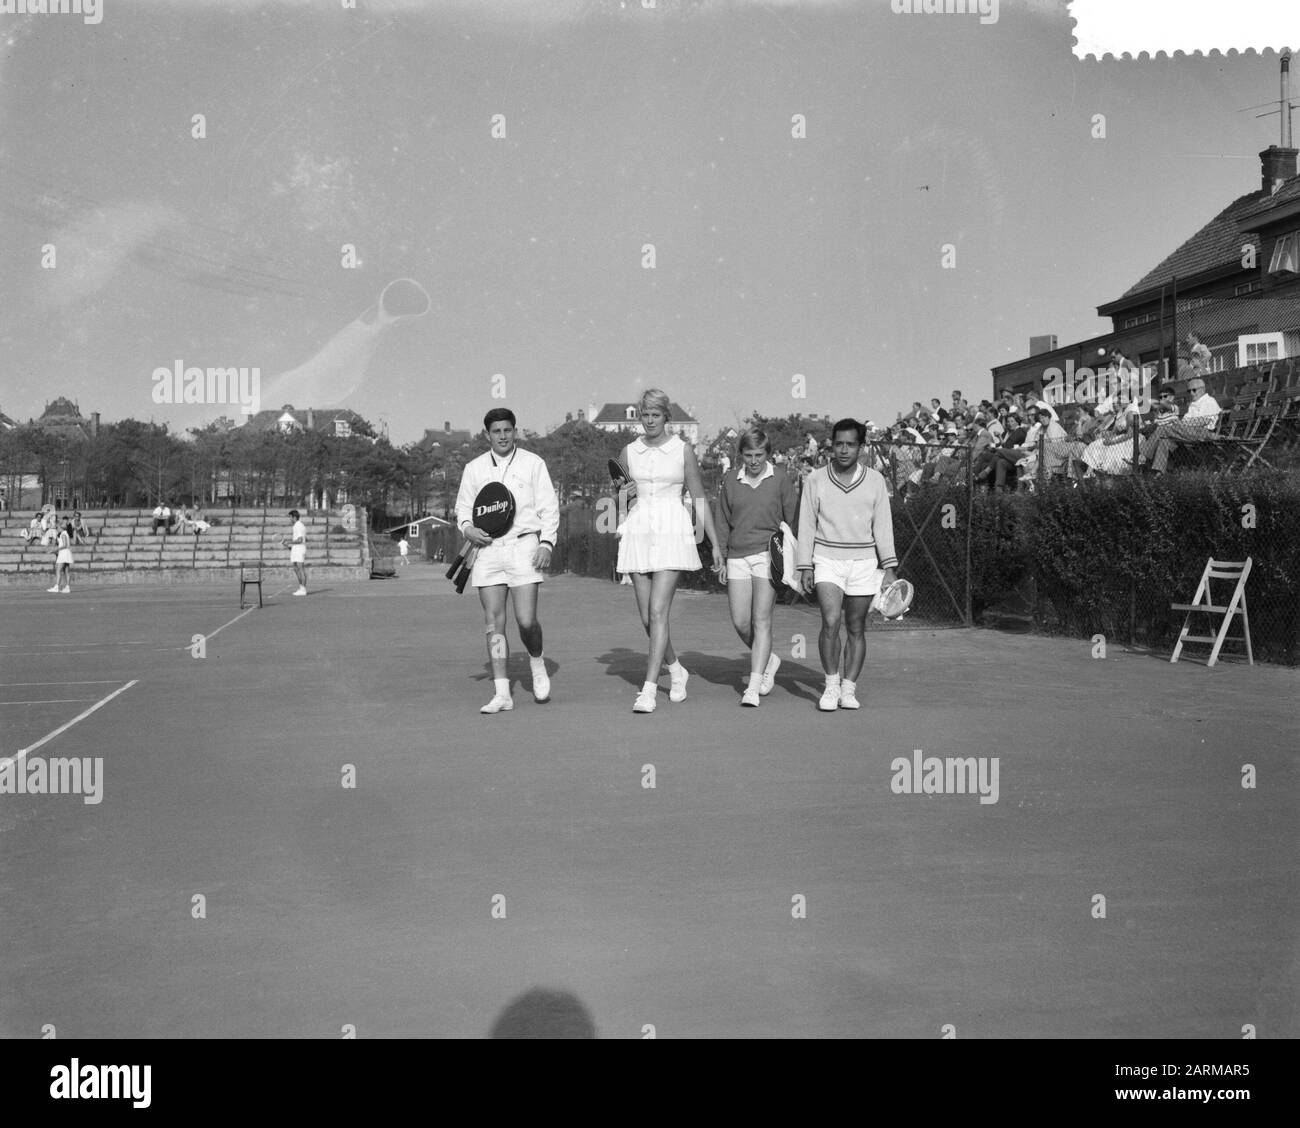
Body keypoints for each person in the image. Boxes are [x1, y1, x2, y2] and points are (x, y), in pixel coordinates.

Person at [616, 388, 723, 714]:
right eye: (645, 415)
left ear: (666, 417)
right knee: (647, 618)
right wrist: (623, 498)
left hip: (673, 531)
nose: (650, 421)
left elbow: (699, 497)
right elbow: (621, 500)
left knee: (658, 611)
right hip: (638, 531)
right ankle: (676, 669)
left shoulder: (682, 450)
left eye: (656, 415)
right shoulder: (628, 452)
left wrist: (715, 544)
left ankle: (648, 690)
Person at [455, 407, 559, 714]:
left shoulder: (533, 463)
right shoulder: (474, 468)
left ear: (515, 431)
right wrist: (468, 528)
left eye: (507, 430)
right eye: (496, 431)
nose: (502, 436)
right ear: (487, 435)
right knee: (494, 622)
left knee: (526, 620)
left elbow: (549, 508)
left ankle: (536, 661)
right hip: (487, 551)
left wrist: (547, 543)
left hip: (524, 547)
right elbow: (463, 509)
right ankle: (502, 692)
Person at [796, 418, 898, 712]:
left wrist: (889, 568)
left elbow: (883, 526)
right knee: (830, 621)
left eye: (850, 445)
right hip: (826, 559)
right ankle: (831, 685)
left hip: (864, 562)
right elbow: (806, 524)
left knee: (856, 627)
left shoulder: (876, 481)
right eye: (838, 444)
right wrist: (805, 565)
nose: (843, 450)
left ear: (861, 447)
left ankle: (848, 688)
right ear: (832, 445)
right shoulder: (815, 479)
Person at [713, 427, 800, 706]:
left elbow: (794, 519)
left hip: (768, 554)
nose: (753, 461)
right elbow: (722, 520)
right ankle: (768, 659)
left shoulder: (781, 478)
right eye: (748, 455)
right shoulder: (731, 480)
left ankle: (753, 685)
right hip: (737, 556)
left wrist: (795, 558)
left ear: (768, 454)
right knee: (741, 622)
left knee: (761, 620)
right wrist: (722, 555)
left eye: (759, 455)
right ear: (741, 454)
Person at [1138, 377, 1222, 474]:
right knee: (1164, 440)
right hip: (1189, 431)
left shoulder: (1209, 401)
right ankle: (1158, 472)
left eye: (1194, 390)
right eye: (1189, 391)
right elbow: (1187, 421)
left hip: (1202, 433)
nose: (1191, 393)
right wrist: (1180, 423)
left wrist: (1182, 423)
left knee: (1162, 429)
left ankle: (1142, 456)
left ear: (1202, 389)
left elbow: (1203, 421)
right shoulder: (1194, 403)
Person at [286, 509, 308, 595]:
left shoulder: (298, 526)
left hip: (299, 549)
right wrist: (291, 547)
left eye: (290, 517)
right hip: (296, 549)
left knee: (300, 568)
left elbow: (300, 540)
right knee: (296, 568)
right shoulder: (296, 526)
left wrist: (289, 542)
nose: (290, 519)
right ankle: (301, 588)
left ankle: (303, 590)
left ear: (294, 517)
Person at [48, 521, 73, 593]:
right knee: (66, 571)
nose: (57, 529)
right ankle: (67, 587)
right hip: (66, 553)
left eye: (57, 527)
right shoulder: (65, 534)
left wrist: (55, 550)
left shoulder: (63, 534)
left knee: (58, 570)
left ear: (61, 528)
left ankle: (56, 587)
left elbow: (64, 545)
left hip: (64, 554)